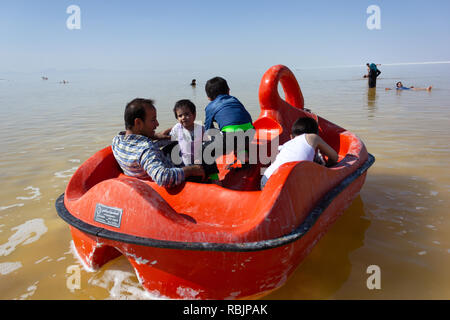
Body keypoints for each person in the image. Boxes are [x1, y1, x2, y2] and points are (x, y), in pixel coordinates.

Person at [111, 98, 205, 187]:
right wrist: (192, 170)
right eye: (153, 120)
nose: (157, 124)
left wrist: (155, 136)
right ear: (138, 123)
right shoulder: (146, 150)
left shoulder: (117, 140)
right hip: (174, 174)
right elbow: (163, 178)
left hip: (152, 165)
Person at [260, 117, 338, 190]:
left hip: (265, 181)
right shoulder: (313, 137)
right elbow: (334, 157)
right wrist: (327, 165)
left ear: (291, 137)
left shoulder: (285, 145)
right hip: (285, 186)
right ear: (316, 134)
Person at [204, 77, 254, 164]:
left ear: (209, 98)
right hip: (250, 133)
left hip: (230, 136)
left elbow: (208, 128)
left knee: (204, 151)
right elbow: (247, 116)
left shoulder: (210, 106)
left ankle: (212, 175)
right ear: (228, 91)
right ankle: (243, 154)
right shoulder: (234, 100)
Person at [168, 99, 220, 182]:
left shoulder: (200, 128)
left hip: (200, 161)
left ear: (194, 115)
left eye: (187, 114)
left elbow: (209, 140)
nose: (183, 118)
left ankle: (215, 180)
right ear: (177, 118)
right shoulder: (177, 128)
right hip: (186, 163)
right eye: (180, 116)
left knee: (208, 156)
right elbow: (169, 139)